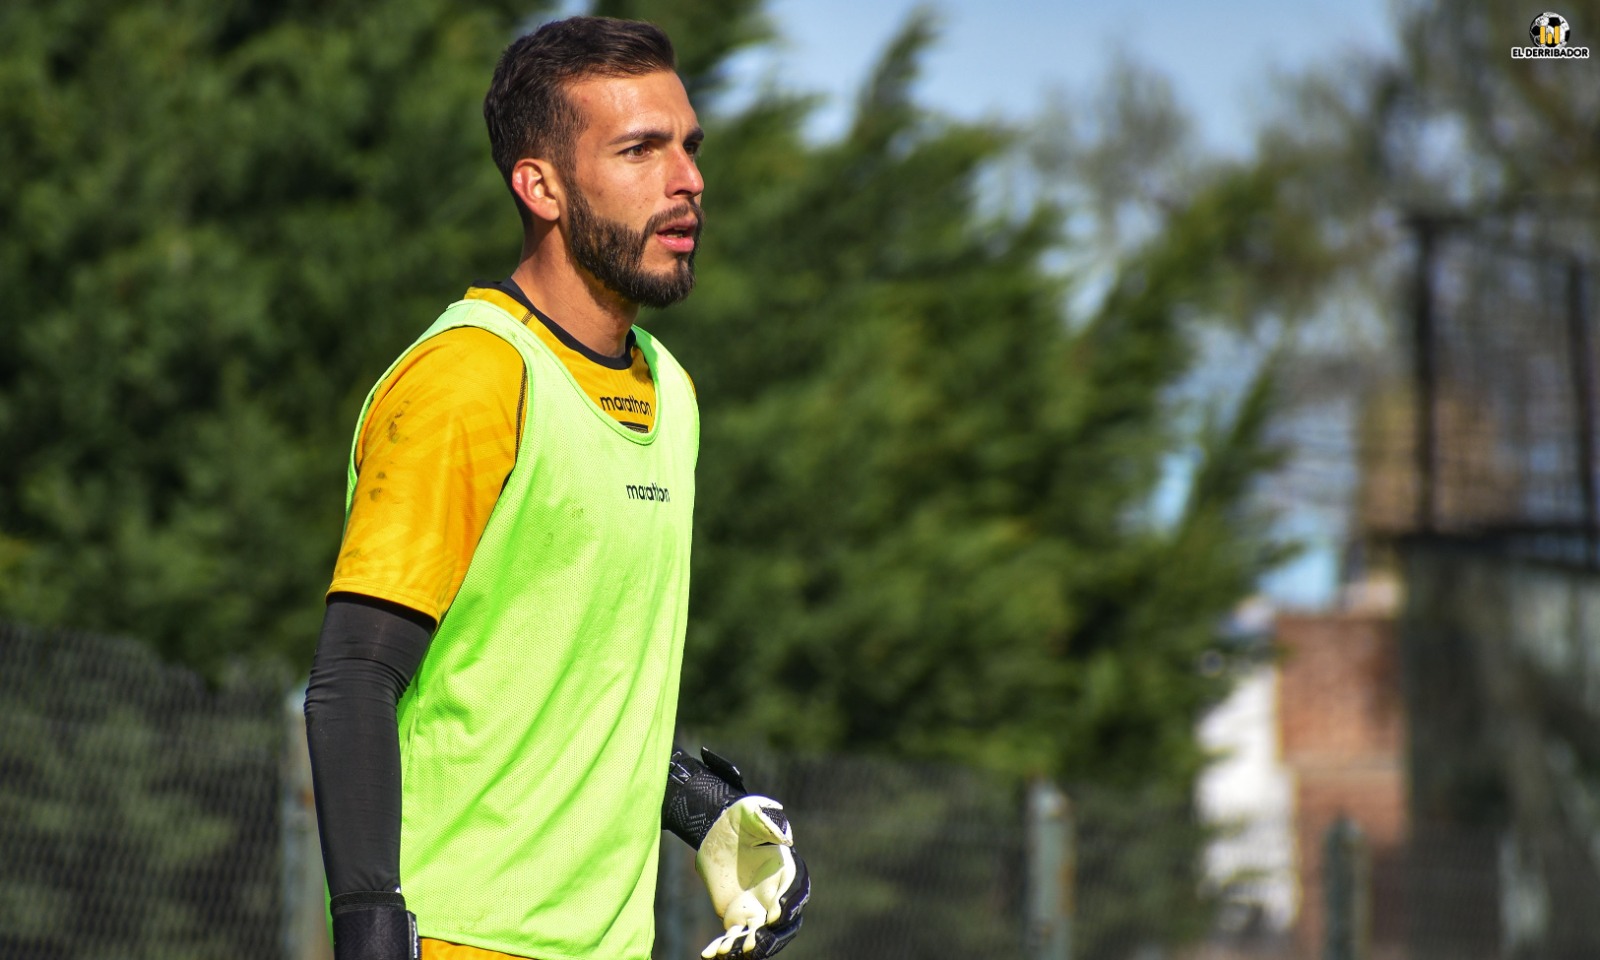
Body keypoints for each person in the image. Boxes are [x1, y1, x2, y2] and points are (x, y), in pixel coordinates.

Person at [302, 16, 808, 960]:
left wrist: (699, 806)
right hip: (454, 938)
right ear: (539, 185)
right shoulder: (470, 379)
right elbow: (352, 681)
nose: (687, 179)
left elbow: (565, 679)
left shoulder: (674, 392)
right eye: (639, 150)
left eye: (689, 146)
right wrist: (370, 929)